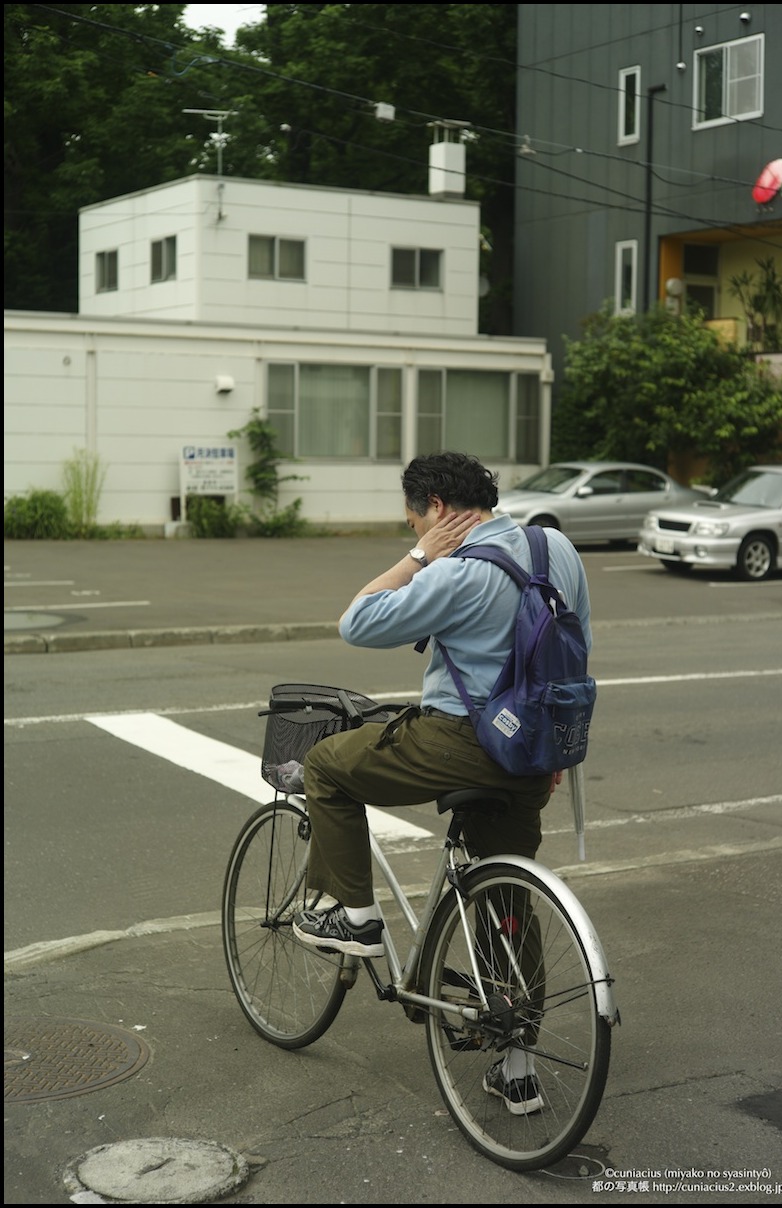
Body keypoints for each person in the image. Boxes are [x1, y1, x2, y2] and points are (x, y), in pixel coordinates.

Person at [293, 450, 592, 1114]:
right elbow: (575, 649)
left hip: (463, 742)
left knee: (327, 766)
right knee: (505, 895)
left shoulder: (458, 569)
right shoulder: (554, 549)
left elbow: (359, 622)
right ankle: (516, 1068)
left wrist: (421, 556)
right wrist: (547, 753)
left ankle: (357, 919)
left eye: (412, 522)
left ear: (434, 509)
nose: (412, 533)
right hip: (533, 747)